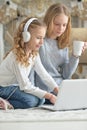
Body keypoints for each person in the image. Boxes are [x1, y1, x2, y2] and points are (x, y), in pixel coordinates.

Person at [0, 17, 59, 110]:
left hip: (15, 87)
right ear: (26, 36)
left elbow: (44, 75)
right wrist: (50, 96)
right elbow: (25, 86)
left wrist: (57, 89)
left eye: (43, 38)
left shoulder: (33, 54)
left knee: (41, 100)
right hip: (3, 88)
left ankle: (6, 102)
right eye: (38, 38)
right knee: (31, 101)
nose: (42, 42)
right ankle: (4, 102)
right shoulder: (16, 56)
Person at [34, 3, 87, 103]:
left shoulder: (62, 44)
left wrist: (75, 55)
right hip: (45, 89)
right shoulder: (39, 41)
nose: (61, 29)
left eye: (64, 25)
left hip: (61, 87)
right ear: (49, 21)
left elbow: (66, 75)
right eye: (57, 24)